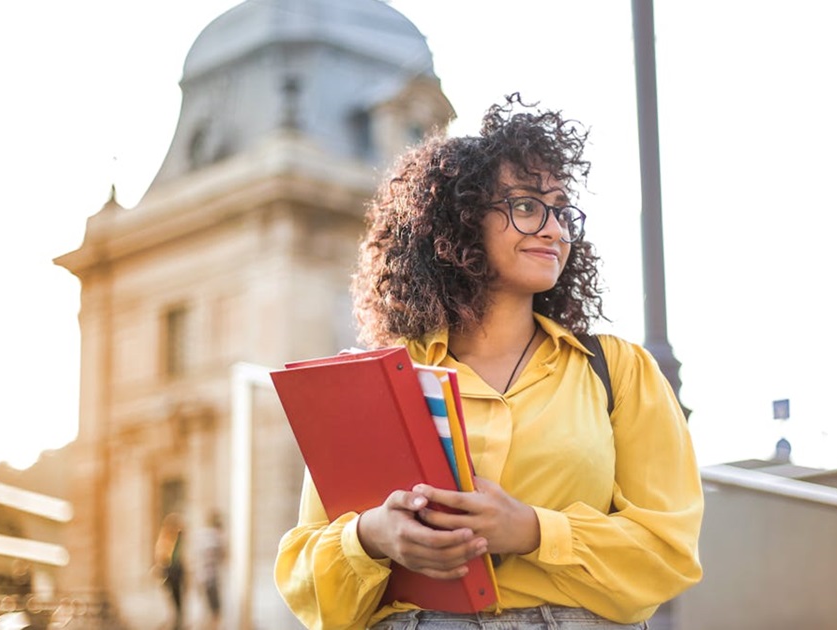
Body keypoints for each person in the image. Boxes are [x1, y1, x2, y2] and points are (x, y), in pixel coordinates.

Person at [275, 94, 703, 629]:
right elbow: (305, 579)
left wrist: (531, 530)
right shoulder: (382, 381)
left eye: (562, 210)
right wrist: (373, 536)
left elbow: (670, 551)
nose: (554, 229)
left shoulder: (618, 371)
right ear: (461, 221)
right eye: (526, 206)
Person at [195, 511, 227, 628]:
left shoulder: (201, 535)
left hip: (201, 577)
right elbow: (224, 556)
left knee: (206, 610)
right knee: (215, 612)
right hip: (211, 579)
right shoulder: (217, 537)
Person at [155, 513, 185, 630]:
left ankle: (177, 620)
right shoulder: (165, 539)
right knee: (173, 598)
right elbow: (162, 556)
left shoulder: (176, 539)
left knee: (178, 598)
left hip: (176, 571)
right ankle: (174, 621)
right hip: (170, 571)